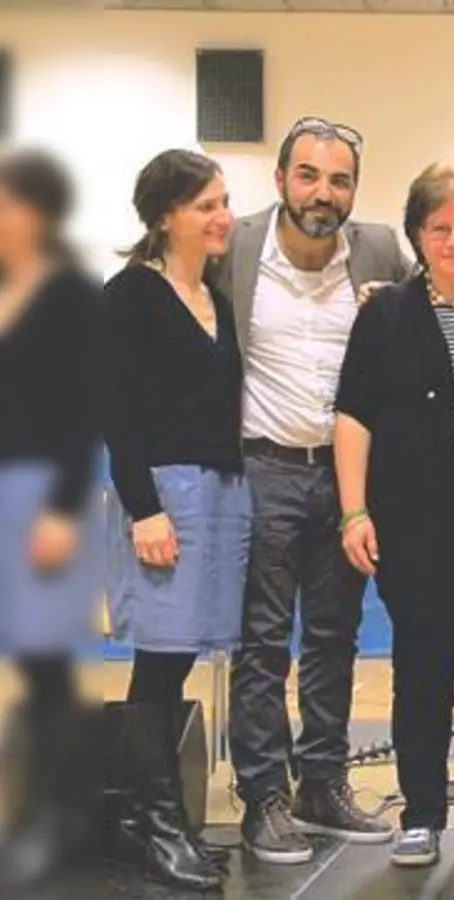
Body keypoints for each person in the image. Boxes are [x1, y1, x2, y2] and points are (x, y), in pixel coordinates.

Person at [214, 116, 409, 864]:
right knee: (263, 643)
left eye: (339, 180)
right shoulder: (235, 249)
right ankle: (263, 795)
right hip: (260, 467)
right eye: (309, 176)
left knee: (334, 637)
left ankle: (321, 785)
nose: (323, 193)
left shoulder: (380, 251)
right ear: (280, 181)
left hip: (348, 476)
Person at [332, 164, 454, 868]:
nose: (453, 240)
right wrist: (354, 510)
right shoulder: (385, 313)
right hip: (416, 534)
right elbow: (353, 415)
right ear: (417, 234)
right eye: (438, 228)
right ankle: (420, 815)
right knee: (421, 677)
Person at [101, 149, 248, 891]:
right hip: (163, 495)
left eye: (224, 202)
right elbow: (118, 413)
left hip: (218, 492)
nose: (223, 217)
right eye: (205, 206)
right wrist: (144, 510)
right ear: (165, 217)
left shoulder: (213, 296)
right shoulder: (130, 294)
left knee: (182, 655)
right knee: (157, 663)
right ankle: (160, 826)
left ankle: (145, 821)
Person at [0, 148, 105, 892]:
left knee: (44, 662)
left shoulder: (72, 296)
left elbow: (81, 410)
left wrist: (65, 509)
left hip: (44, 496)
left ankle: (58, 813)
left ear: (37, 212)